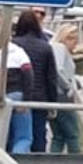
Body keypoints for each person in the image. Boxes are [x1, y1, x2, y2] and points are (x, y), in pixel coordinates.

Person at [12, 10, 58, 152]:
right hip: (39, 99)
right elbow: (51, 78)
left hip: (18, 97)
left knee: (17, 136)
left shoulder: (13, 45)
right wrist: (52, 103)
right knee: (38, 137)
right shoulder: (45, 47)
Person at [49, 24, 83, 153]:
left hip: (54, 96)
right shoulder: (59, 48)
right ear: (67, 38)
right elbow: (58, 70)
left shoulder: (52, 47)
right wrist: (68, 86)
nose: (76, 44)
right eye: (75, 40)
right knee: (73, 134)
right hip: (62, 97)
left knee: (59, 136)